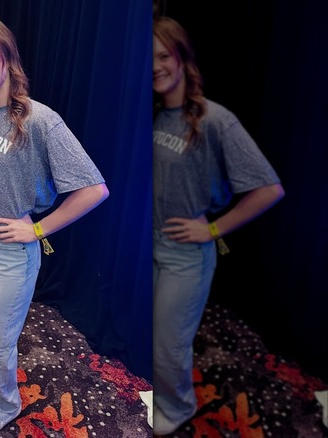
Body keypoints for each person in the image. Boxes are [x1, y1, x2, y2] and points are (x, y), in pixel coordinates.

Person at [0, 17, 109, 436]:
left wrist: (37, 230)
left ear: (7, 58)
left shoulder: (40, 119)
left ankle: (3, 406)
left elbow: (94, 189)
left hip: (9, 252)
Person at [152, 16, 284, 435]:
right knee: (154, 339)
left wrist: (211, 230)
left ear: (182, 58)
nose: (155, 66)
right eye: (147, 59)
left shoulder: (214, 119)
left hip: (184, 256)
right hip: (150, 247)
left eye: (162, 56)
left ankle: (177, 410)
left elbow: (269, 189)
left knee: (167, 347)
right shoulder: (155, 114)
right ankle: (161, 397)